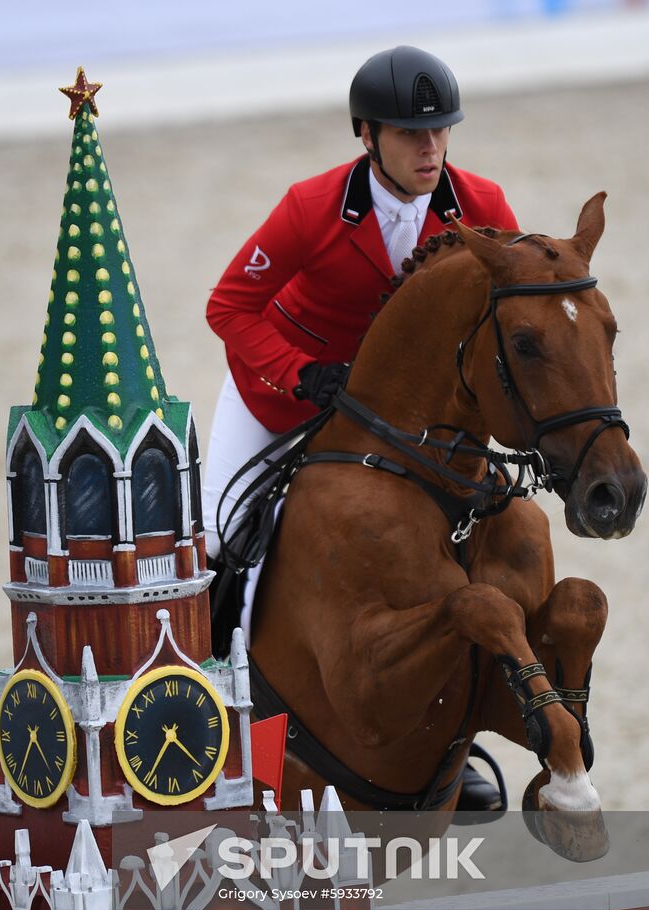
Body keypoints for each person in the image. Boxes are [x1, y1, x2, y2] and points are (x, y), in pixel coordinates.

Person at [203, 45, 518, 813]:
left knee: (463, 544)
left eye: (441, 131)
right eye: (413, 134)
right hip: (283, 399)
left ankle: (459, 737)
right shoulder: (313, 208)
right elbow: (227, 307)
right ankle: (217, 717)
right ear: (367, 136)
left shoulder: (479, 206)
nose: (431, 148)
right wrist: (302, 372)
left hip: (402, 417)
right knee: (220, 538)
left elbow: (517, 305)